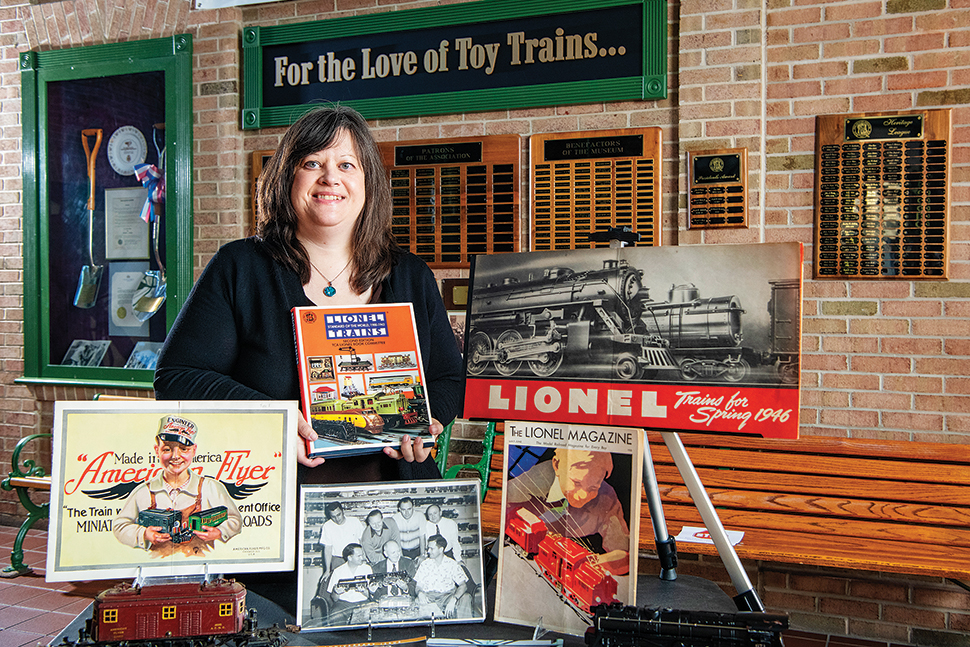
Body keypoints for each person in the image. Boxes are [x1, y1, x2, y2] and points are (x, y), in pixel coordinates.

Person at [153, 105, 464, 610]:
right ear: (287, 176)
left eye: (347, 165)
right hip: (272, 525)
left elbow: (450, 378)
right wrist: (273, 418)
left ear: (368, 183)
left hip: (393, 514)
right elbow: (177, 377)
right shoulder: (241, 267)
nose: (329, 179)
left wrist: (427, 423)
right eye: (312, 163)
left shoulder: (408, 274)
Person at [113, 416, 242, 556]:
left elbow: (235, 520)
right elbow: (120, 526)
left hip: (200, 561)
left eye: (184, 449)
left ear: (194, 450)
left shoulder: (211, 488)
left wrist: (220, 532)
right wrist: (144, 533)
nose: (175, 456)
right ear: (157, 451)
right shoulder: (143, 492)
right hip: (157, 565)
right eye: (167, 449)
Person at [506, 448, 630, 574]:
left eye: (593, 488)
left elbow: (624, 553)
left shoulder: (607, 498)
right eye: (576, 483)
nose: (583, 495)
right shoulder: (529, 483)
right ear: (557, 465)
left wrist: (593, 561)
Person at [413, 534, 472, 619]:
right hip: (429, 597)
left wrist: (453, 599)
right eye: (428, 548)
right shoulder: (425, 564)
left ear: (441, 550)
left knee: (466, 597)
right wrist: (420, 593)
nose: (428, 551)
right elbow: (418, 586)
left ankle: (465, 629)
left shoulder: (452, 564)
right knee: (417, 602)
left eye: (432, 549)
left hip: (447, 596)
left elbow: (463, 585)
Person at [326, 543, 373, 625]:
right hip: (344, 604)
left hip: (363, 602)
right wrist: (336, 592)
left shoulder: (367, 569)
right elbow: (334, 598)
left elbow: (371, 595)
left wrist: (364, 591)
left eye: (362, 555)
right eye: (359, 556)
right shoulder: (338, 571)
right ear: (350, 558)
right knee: (335, 615)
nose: (362, 558)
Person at [319, 501, 365, 577]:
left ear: (343, 511)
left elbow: (362, 542)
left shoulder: (354, 522)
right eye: (333, 517)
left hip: (355, 558)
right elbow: (328, 549)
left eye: (338, 515)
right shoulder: (327, 526)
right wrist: (327, 570)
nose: (337, 519)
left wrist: (363, 558)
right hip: (338, 560)